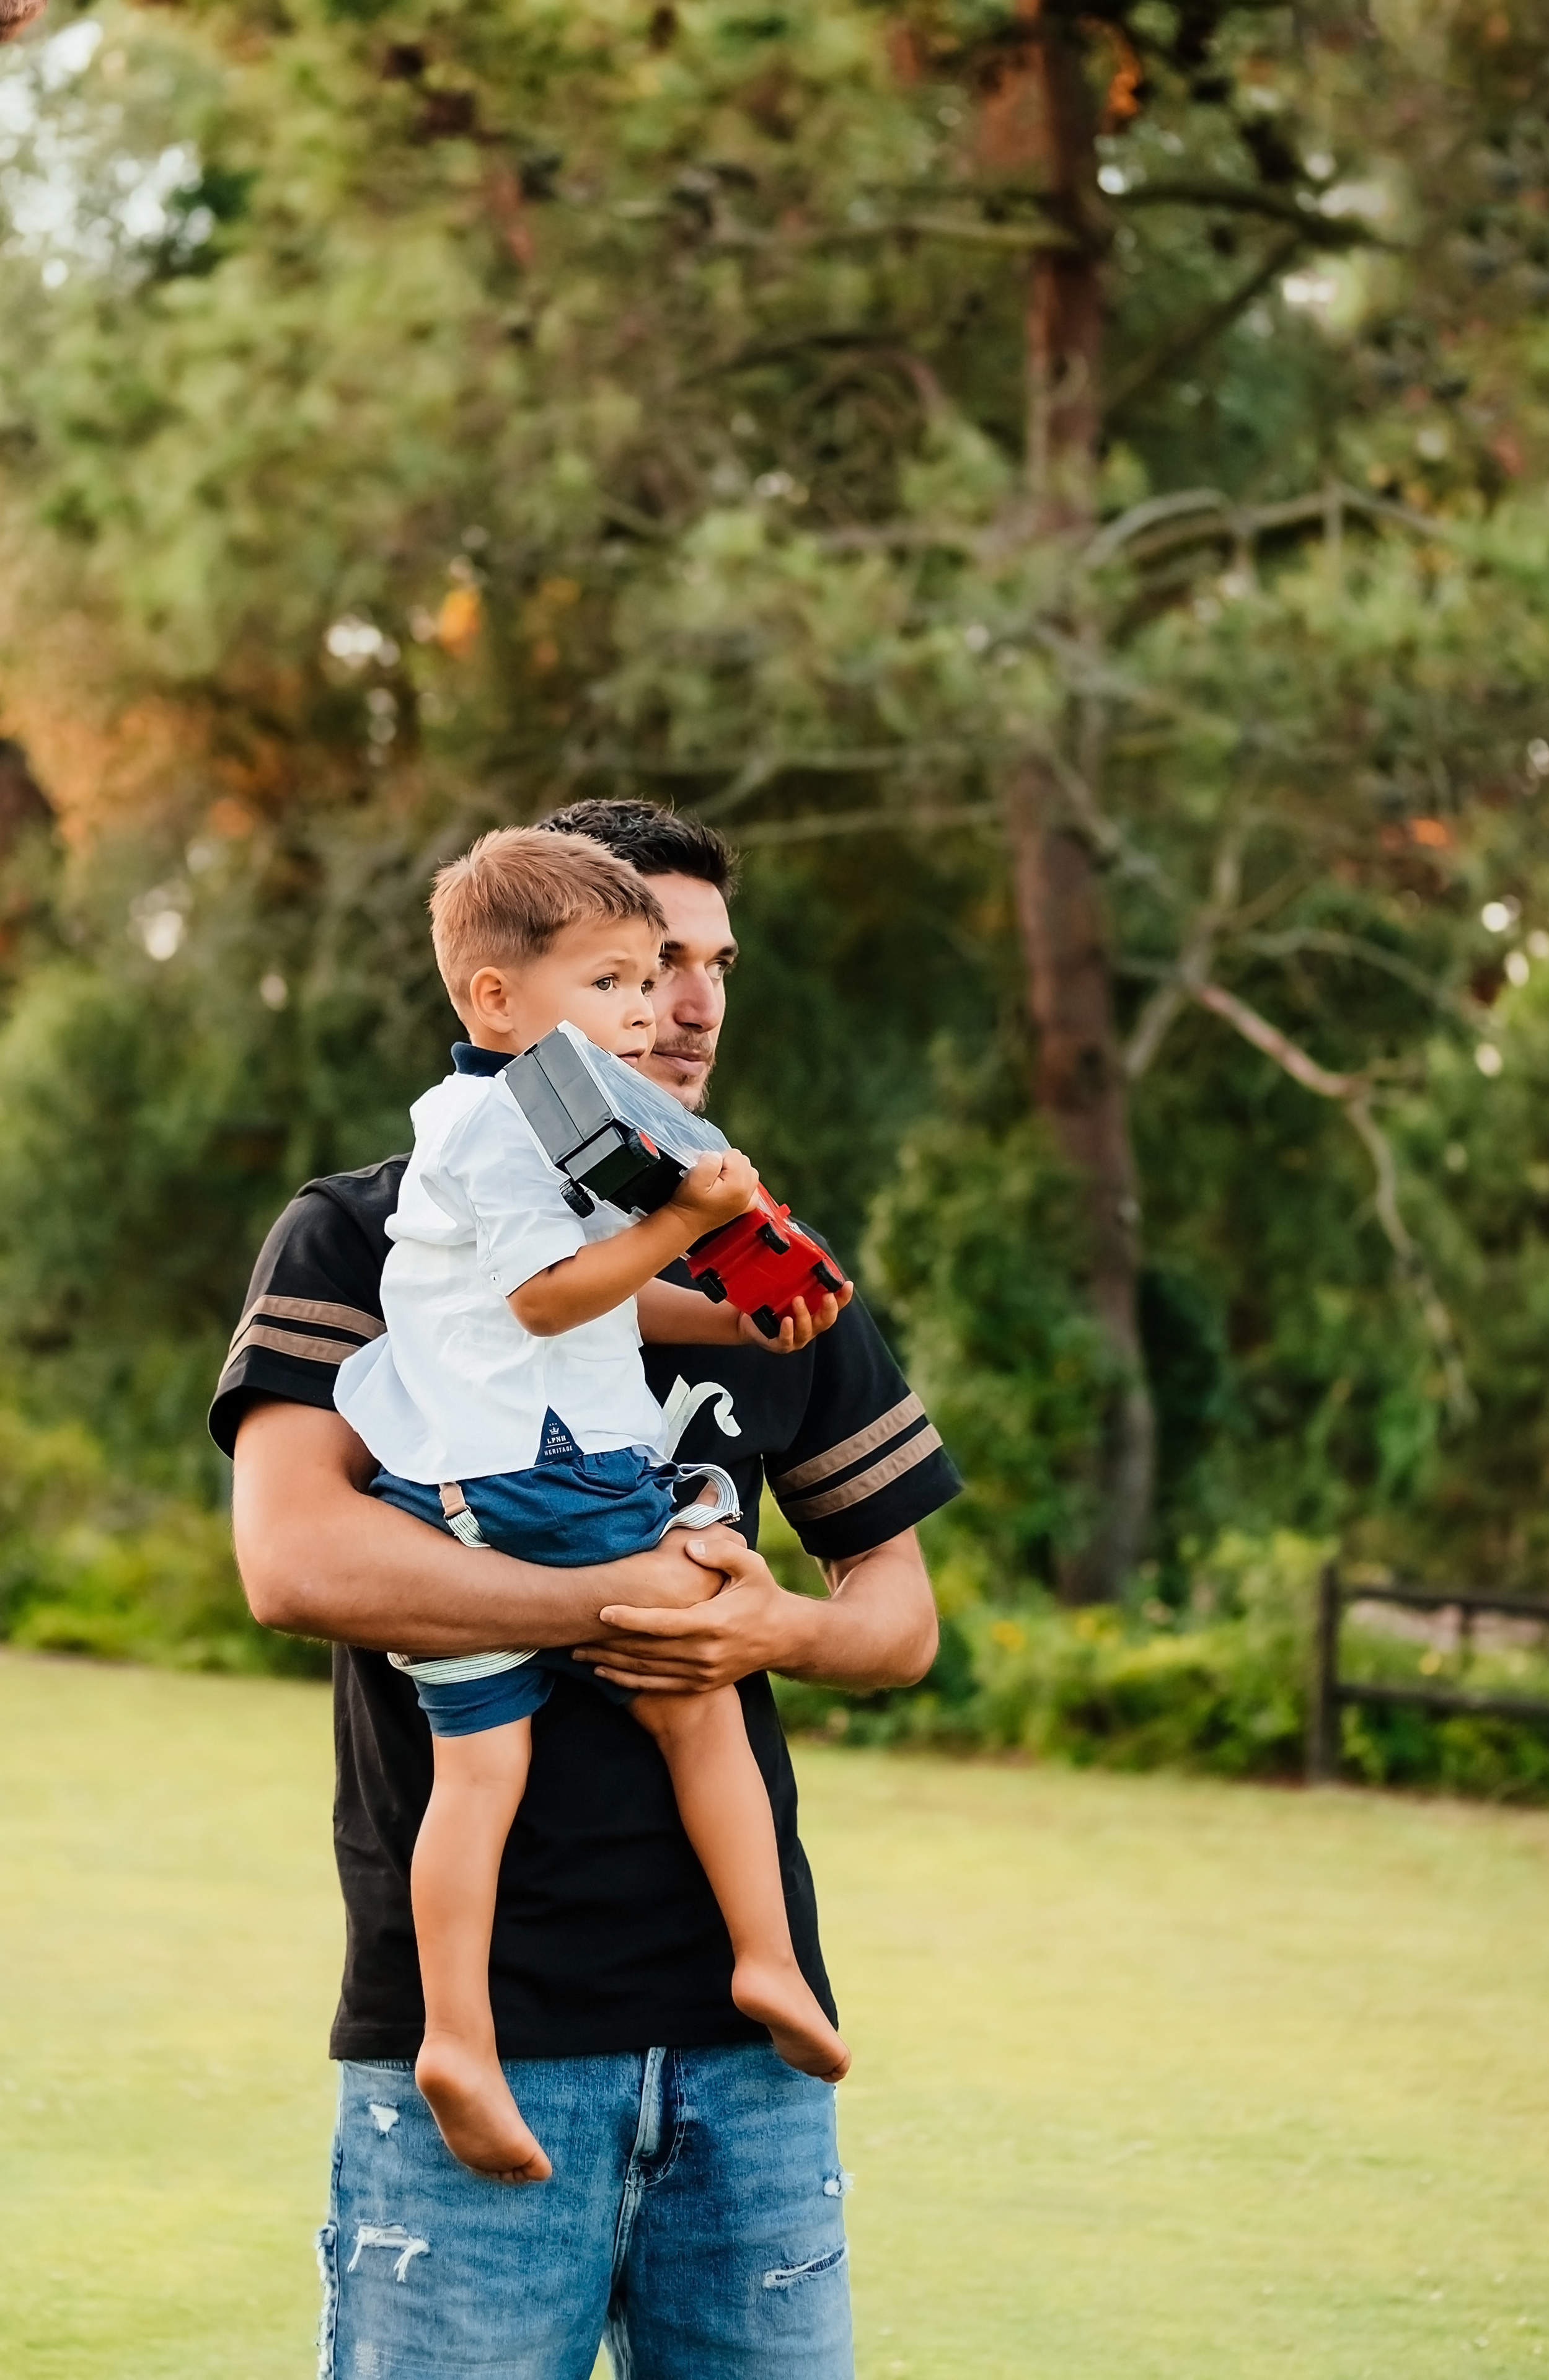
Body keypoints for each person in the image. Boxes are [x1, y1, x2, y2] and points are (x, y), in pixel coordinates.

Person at [213, 798, 961, 2379]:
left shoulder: (751, 1254)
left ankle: (762, 1955)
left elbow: (898, 1620)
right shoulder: (364, 1231)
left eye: (707, 967)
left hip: (750, 2066)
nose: (680, 1006)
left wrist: (769, 1627)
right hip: (490, 2037)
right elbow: (294, 1562)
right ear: (511, 993)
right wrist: (642, 1598)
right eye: (638, 967)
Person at [337, 826, 849, 2188]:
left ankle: (457, 2039)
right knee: (699, 1693)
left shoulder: (504, 1119)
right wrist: (686, 1221)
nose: (649, 1010)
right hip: (554, 1473)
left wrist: (736, 1320)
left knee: (478, 1773)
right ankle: (766, 1958)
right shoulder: (510, 1128)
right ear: (495, 998)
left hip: (456, 1488)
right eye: (614, 981)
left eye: (657, 979)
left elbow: (600, 1296)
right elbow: (547, 1299)